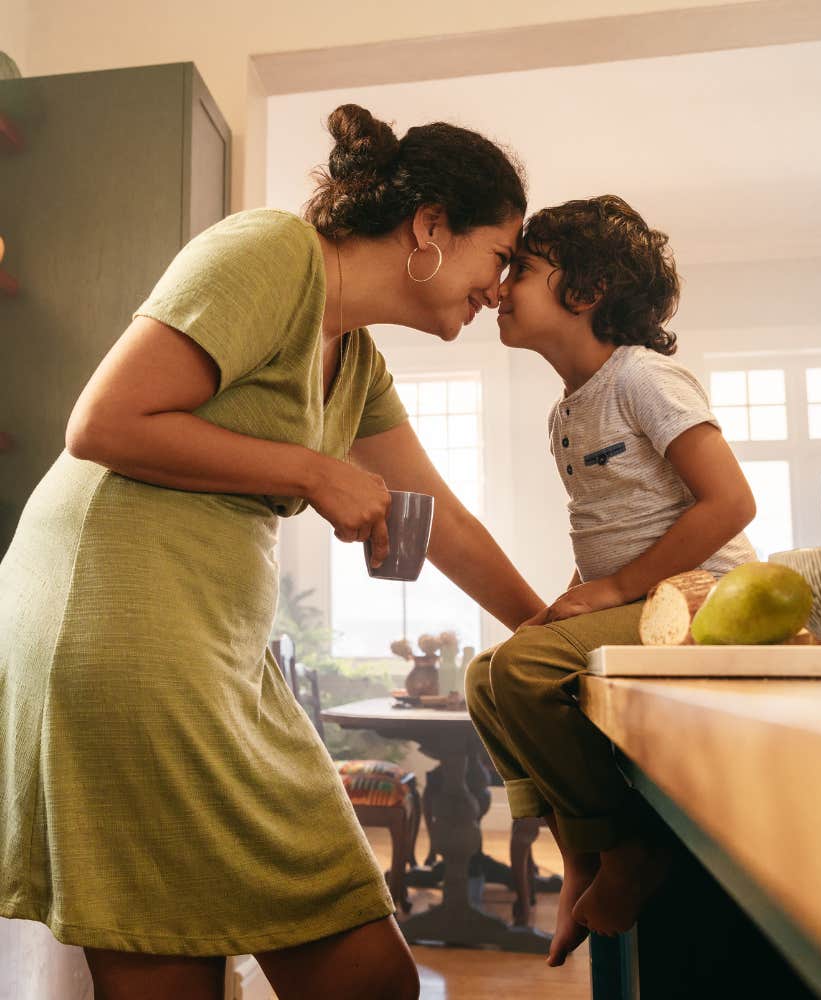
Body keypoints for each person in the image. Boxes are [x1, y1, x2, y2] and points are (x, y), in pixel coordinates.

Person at [0, 104, 545, 1000]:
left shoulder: (357, 360)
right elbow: (101, 423)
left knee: (369, 975)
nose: (498, 289)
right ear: (431, 228)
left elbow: (440, 517)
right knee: (168, 954)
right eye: (499, 256)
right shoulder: (268, 254)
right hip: (112, 615)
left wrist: (548, 625)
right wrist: (314, 473)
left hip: (216, 646)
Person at [465, 194, 757, 968]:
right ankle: (580, 853)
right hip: (639, 593)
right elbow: (608, 527)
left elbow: (730, 502)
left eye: (520, 271)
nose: (498, 288)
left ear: (586, 292)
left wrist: (616, 588)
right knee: (486, 674)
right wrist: (578, 595)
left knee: (526, 669)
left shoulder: (645, 379)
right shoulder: (567, 411)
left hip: (702, 599)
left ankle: (626, 850)